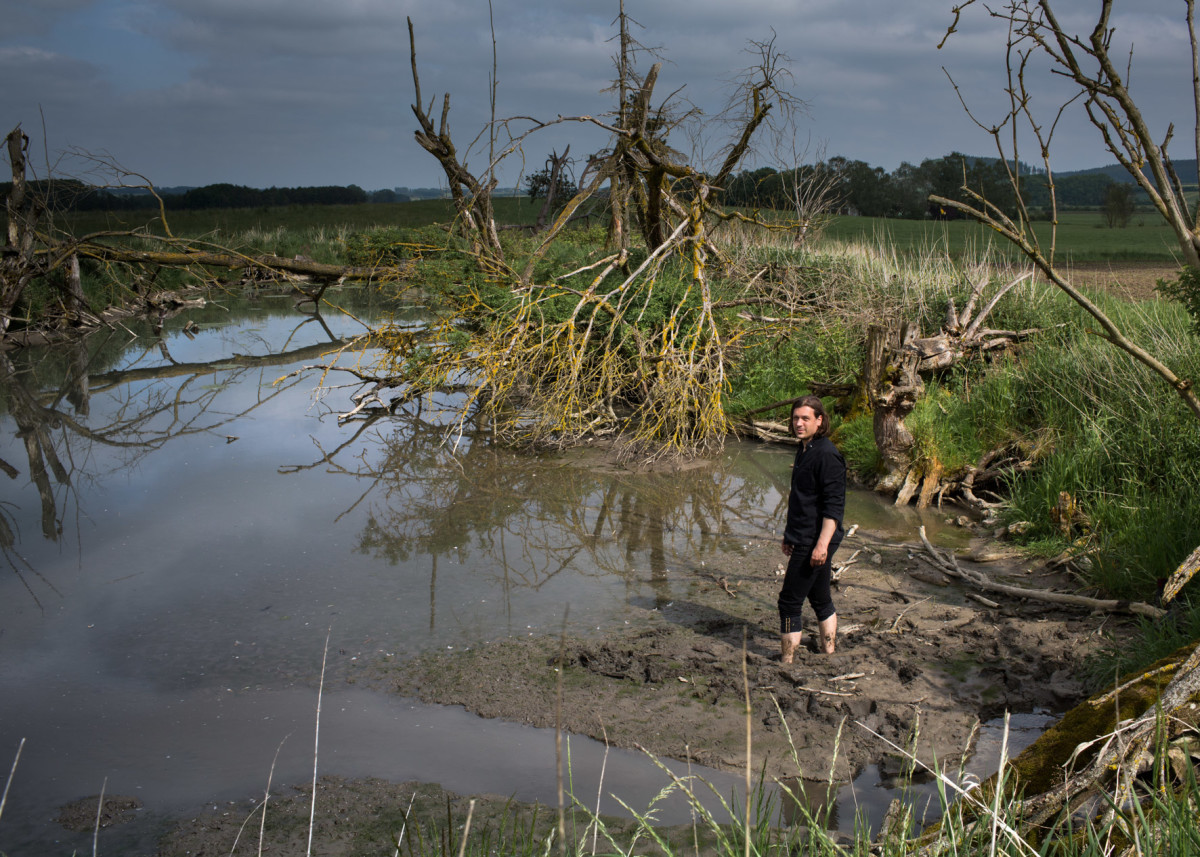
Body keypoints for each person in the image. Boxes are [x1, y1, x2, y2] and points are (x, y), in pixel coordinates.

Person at [779, 395, 846, 663]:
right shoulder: (805, 447)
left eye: (805, 418)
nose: (799, 423)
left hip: (815, 540)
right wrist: (788, 534)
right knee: (819, 597)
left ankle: (787, 660)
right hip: (803, 535)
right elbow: (801, 499)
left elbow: (833, 508)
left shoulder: (828, 455)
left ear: (820, 420)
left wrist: (822, 546)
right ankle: (829, 653)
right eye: (795, 418)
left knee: (788, 603)